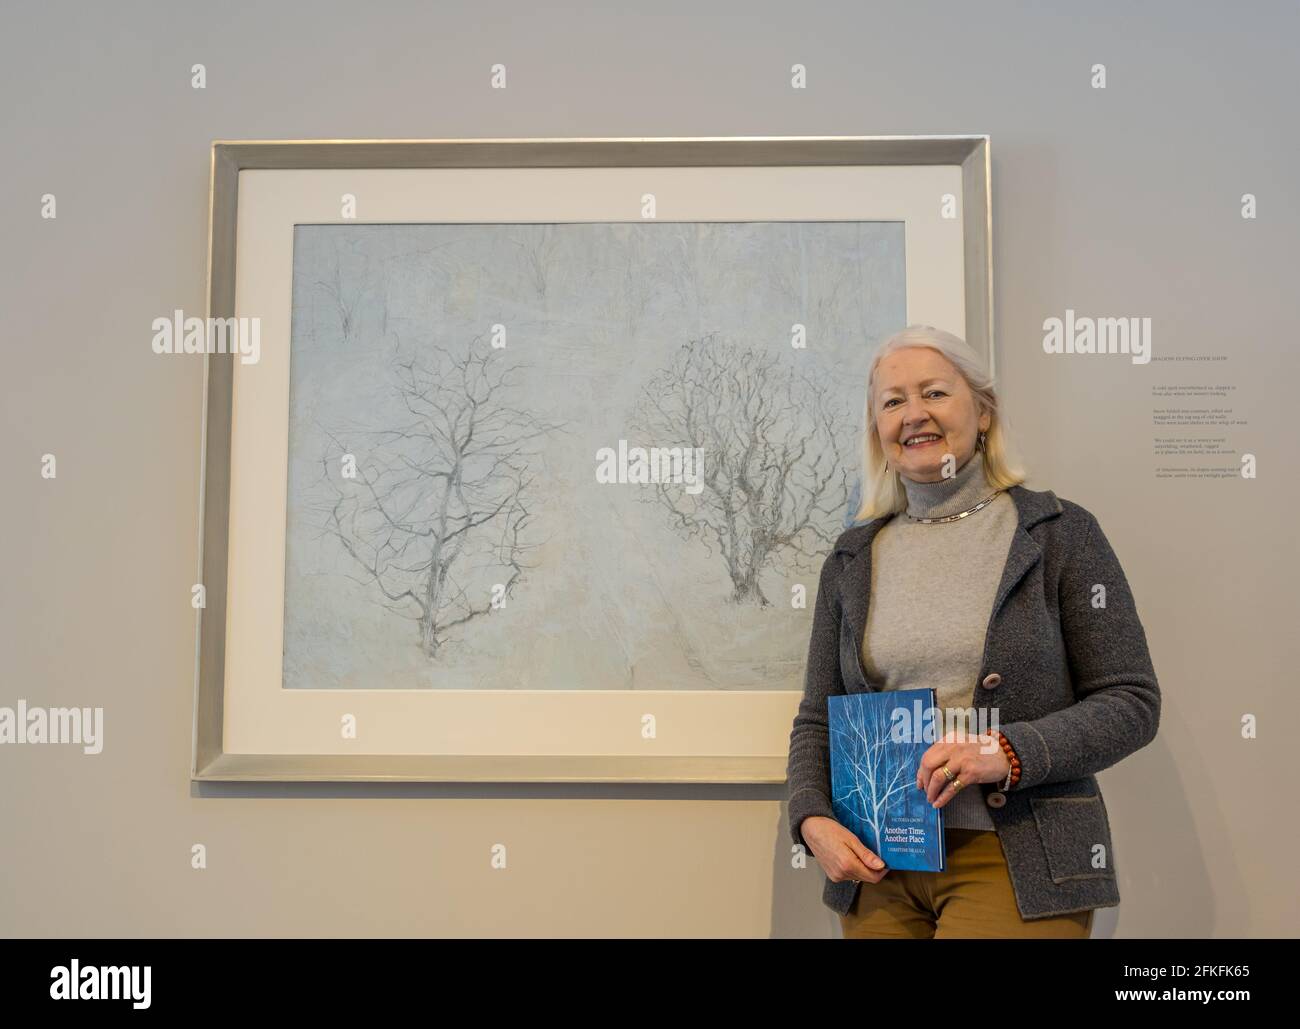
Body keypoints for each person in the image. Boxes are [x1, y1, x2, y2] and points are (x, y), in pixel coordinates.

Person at [785, 324, 1161, 938]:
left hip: (1018, 856)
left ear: (983, 411)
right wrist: (811, 820)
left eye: (934, 393)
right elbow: (817, 718)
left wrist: (1006, 751)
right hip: (879, 862)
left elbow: (1131, 702)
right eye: (892, 401)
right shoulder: (851, 557)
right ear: (877, 432)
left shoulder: (1059, 534)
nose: (914, 415)